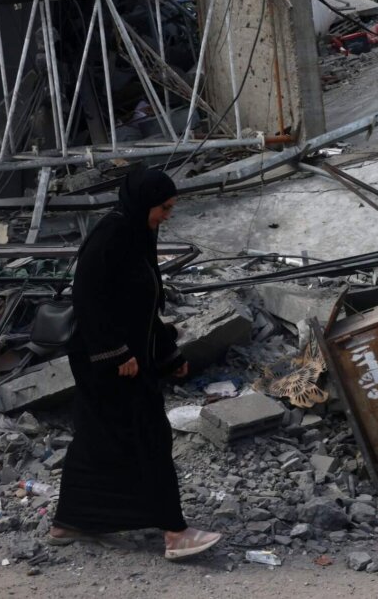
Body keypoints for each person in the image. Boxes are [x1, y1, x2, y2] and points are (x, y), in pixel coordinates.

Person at [49, 166, 222, 560]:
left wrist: (167, 354)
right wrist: (116, 353)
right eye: (163, 207)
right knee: (149, 437)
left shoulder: (136, 236)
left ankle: (71, 521)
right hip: (107, 363)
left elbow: (142, 309)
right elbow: (88, 300)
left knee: (100, 440)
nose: (167, 215)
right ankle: (175, 532)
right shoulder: (111, 236)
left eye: (170, 207)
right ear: (144, 202)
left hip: (126, 360)